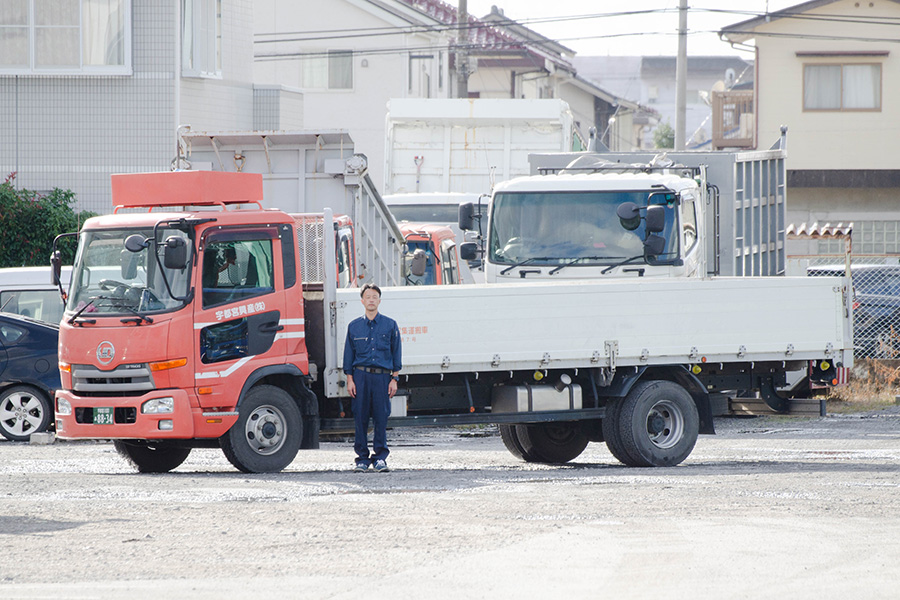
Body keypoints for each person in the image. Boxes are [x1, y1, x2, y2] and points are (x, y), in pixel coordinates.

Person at [342, 283, 402, 472]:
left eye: (374, 297)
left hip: (383, 378)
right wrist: (350, 379)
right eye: (368, 297)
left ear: (379, 300)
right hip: (360, 377)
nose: (371, 300)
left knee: (381, 417)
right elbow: (348, 355)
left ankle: (380, 458)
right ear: (362, 301)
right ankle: (361, 458)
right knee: (360, 417)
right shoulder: (354, 326)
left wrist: (395, 378)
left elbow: (396, 352)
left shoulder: (390, 325)